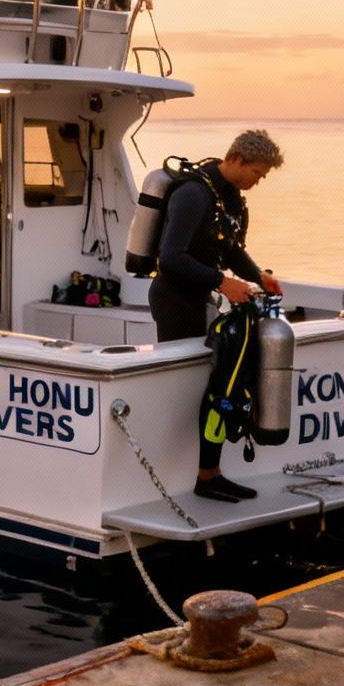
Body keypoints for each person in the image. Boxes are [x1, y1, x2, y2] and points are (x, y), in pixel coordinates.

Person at [150, 129, 285, 502]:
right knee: (197, 388)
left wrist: (259, 276)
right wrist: (223, 283)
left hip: (202, 299)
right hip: (176, 300)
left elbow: (232, 248)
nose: (259, 180)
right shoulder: (194, 193)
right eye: (257, 172)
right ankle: (190, 474)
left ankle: (210, 473)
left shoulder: (230, 198)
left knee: (220, 387)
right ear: (237, 159)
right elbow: (171, 257)